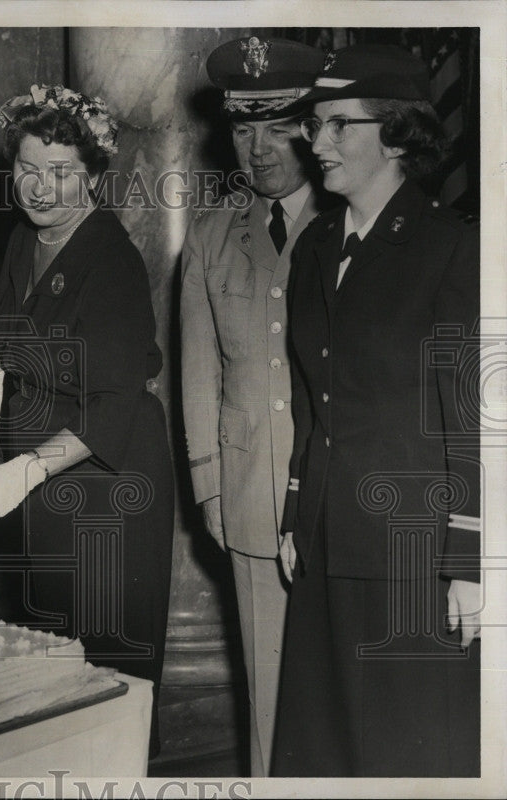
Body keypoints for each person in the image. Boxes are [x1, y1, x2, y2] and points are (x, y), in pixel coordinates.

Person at [272, 45, 481, 776]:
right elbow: (310, 397)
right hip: (327, 539)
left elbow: (472, 415)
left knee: (406, 754)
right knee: (322, 749)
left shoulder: (450, 248)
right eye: (314, 125)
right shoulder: (316, 248)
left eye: (337, 126)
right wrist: (298, 511)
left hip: (411, 552)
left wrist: (470, 560)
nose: (316, 143)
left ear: (396, 135)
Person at [0, 84, 175, 756]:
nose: (41, 188)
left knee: (108, 682)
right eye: (27, 169)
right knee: (58, 680)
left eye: (61, 173)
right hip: (49, 492)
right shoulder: (25, 241)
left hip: (112, 493)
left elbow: (113, 402)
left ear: (93, 175)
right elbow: (5, 326)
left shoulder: (112, 262)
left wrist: (22, 471)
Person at [179, 36, 326, 777]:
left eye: (277, 124)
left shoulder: (343, 226)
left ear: (312, 124)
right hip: (247, 499)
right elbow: (199, 374)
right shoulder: (208, 238)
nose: (259, 147)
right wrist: (209, 485)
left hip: (335, 498)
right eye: (243, 127)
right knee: (266, 701)